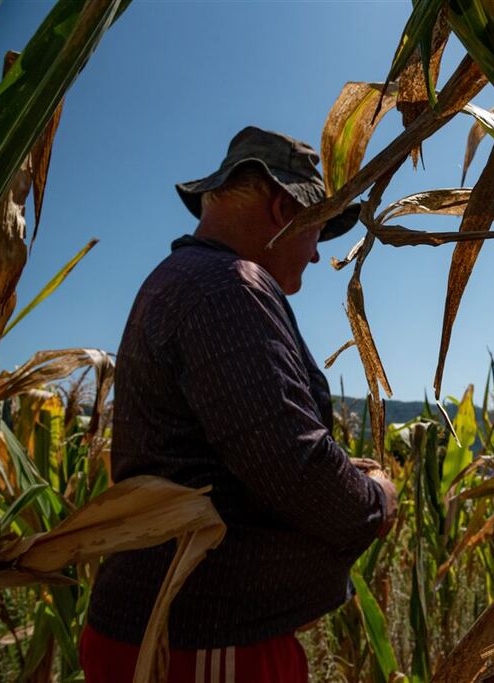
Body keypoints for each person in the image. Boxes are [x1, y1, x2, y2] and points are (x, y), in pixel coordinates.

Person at [80, 126, 397, 683]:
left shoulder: (186, 281)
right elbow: (293, 470)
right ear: (282, 207)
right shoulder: (229, 286)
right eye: (316, 230)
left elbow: (248, 445)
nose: (319, 254)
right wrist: (377, 500)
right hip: (205, 642)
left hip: (172, 633)